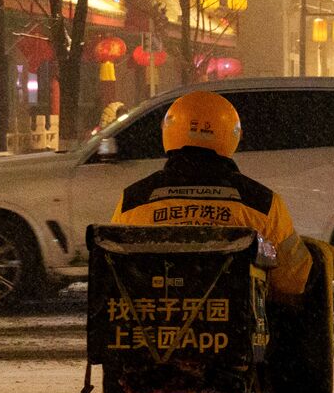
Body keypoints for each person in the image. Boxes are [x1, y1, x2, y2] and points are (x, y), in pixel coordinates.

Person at [111, 90, 312, 301]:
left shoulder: (133, 200)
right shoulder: (262, 203)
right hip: (236, 328)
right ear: (232, 135)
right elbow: (293, 281)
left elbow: (119, 275)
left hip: (152, 324)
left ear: (168, 132)